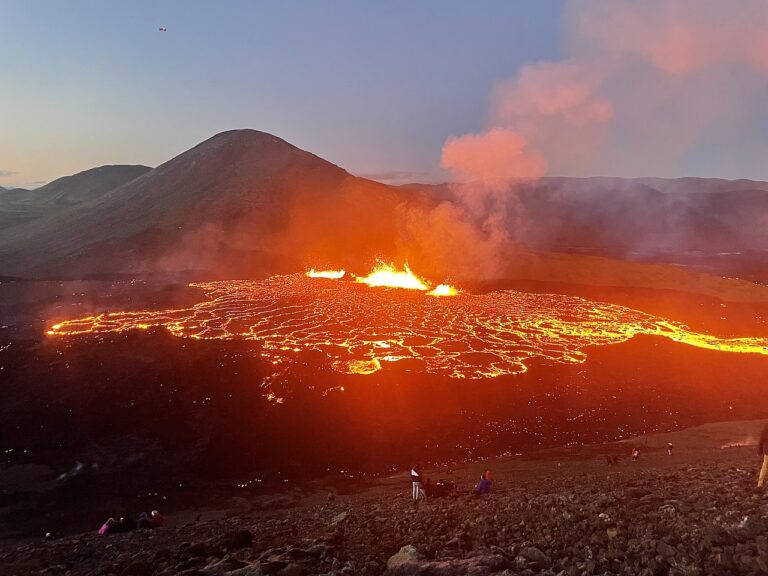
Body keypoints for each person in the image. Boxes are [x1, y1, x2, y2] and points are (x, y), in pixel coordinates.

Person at [758, 422, 768, 489]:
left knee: (765, 467)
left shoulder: (765, 428)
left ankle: (760, 484)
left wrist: (760, 450)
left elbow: (761, 439)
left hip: (767, 450)